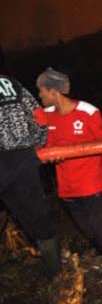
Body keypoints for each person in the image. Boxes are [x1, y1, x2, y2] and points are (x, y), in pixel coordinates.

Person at [35, 67, 102, 269]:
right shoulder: (44, 115)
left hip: (92, 186)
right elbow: (41, 144)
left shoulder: (89, 112)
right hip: (67, 189)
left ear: (53, 92)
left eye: (41, 90)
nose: (39, 95)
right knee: (88, 231)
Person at [0, 72, 60, 277]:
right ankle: (54, 271)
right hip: (24, 158)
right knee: (36, 215)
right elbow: (38, 115)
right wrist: (38, 143)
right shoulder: (11, 82)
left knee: (25, 214)